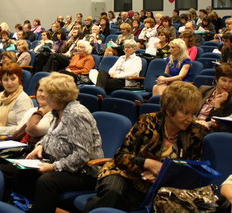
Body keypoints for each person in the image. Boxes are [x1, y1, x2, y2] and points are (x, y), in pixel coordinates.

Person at [84, 81, 209, 212]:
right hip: (124, 173)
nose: (190, 118)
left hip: (157, 186)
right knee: (114, 192)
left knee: (128, 202)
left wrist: (163, 177)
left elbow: (190, 171)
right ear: (168, 109)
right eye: (185, 113)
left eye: (193, 113)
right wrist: (147, 163)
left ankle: (95, 206)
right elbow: (121, 157)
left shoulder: (195, 133)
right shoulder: (147, 122)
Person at [26, 73, 103, 213]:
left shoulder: (76, 114)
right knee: (23, 172)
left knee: (47, 181)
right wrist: (40, 146)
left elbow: (82, 155)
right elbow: (51, 136)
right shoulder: (58, 111)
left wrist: (53, 167)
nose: (43, 96)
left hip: (85, 171)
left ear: (58, 96)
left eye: (47, 93)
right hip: (63, 164)